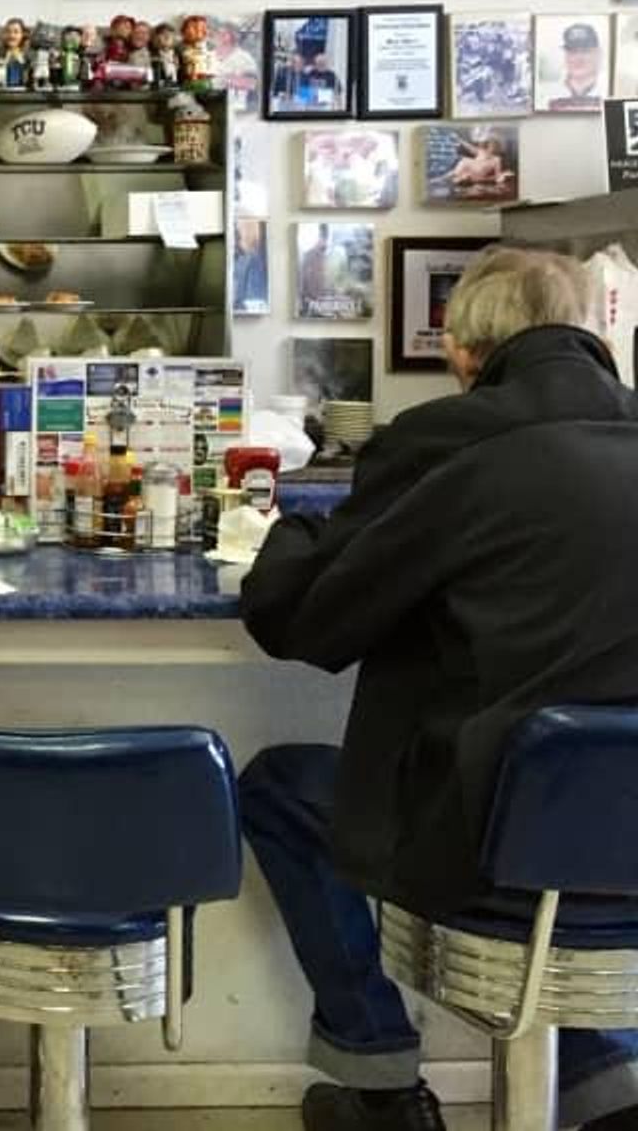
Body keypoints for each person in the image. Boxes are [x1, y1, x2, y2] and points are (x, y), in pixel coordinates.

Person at [239, 247, 638, 1131]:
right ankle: (605, 1084)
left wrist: (293, 523)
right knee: (576, 834)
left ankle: (379, 1080)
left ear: (464, 353)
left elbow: (302, 623)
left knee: (282, 789)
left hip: (487, 839)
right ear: (598, 331)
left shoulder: (447, 445)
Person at [550, 21, 604, 111]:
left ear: (598, 53)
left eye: (585, 51)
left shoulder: (610, 92)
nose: (578, 58)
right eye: (572, 51)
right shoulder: (550, 95)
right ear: (565, 55)